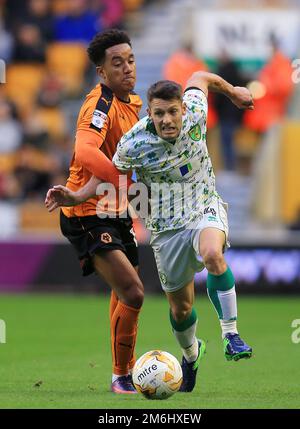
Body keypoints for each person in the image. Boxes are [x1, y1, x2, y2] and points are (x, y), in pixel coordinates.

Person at [46, 72, 254, 392]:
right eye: (159, 113)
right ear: (150, 114)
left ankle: (231, 334)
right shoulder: (134, 143)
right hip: (165, 229)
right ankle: (191, 354)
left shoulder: (196, 112)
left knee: (213, 254)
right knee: (181, 309)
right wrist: (75, 197)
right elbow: (109, 175)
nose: (167, 119)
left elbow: (200, 77)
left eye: (172, 111)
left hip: (203, 208)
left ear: (184, 109)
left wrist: (232, 92)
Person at [51, 29, 145, 394]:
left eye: (131, 60)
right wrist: (123, 180)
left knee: (126, 293)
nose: (127, 68)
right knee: (134, 293)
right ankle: (122, 375)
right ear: (102, 73)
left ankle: (122, 371)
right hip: (86, 212)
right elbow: (86, 152)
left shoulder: (132, 104)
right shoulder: (99, 104)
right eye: (117, 63)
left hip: (115, 209)